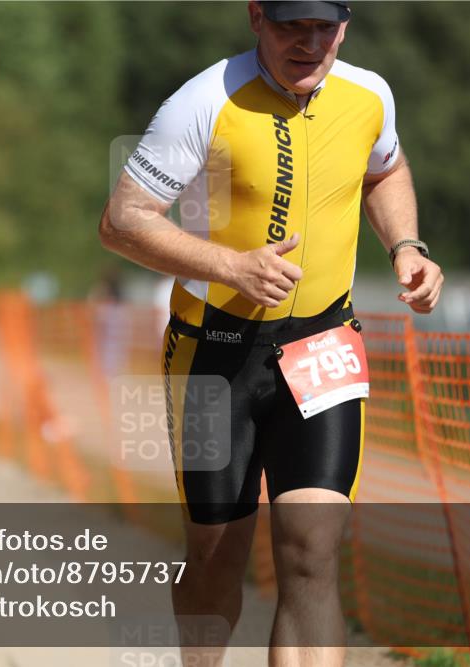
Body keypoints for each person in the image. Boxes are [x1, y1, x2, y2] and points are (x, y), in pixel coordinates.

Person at [99, 2, 444, 666]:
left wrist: (405, 244)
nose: (311, 43)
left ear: (346, 24)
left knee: (312, 551)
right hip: (213, 353)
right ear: (256, 16)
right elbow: (122, 220)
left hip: (323, 343)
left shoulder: (369, 95)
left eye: (326, 27)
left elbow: (385, 169)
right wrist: (229, 265)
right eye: (292, 25)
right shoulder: (204, 101)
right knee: (215, 557)